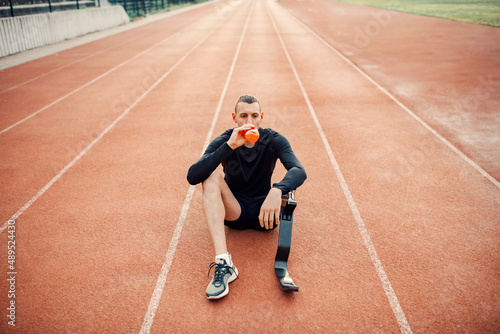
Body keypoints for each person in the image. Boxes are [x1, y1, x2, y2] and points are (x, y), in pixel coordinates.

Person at [186, 94, 307, 299]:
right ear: (234, 118)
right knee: (210, 177)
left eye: (254, 116)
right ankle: (224, 262)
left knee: (286, 187)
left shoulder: (274, 139)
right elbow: (193, 176)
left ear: (261, 117)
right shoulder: (226, 140)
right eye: (243, 116)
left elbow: (298, 170)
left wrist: (277, 190)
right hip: (235, 212)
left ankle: (275, 194)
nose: (249, 121)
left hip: (265, 215)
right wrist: (229, 147)